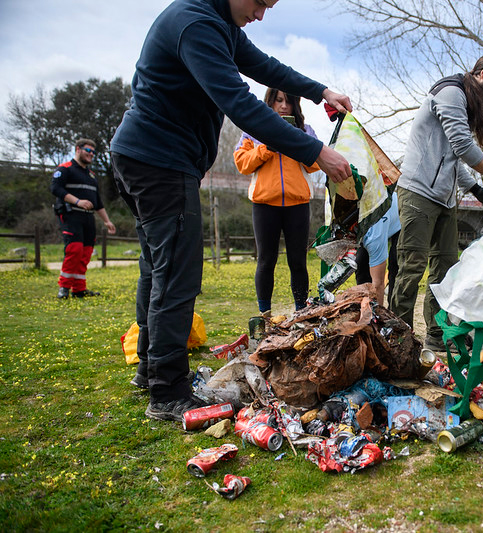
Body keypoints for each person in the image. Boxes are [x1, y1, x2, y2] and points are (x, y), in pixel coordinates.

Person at [109, 0, 353, 423]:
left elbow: (268, 67)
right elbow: (242, 105)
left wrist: (320, 91)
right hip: (160, 160)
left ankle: (151, 370)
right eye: (259, 1)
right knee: (177, 272)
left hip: (144, 156)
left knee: (157, 266)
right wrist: (317, 151)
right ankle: (168, 390)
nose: (261, 15)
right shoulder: (196, 25)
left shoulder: (217, 24)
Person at [390, 52, 483, 351]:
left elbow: (451, 158)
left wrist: (477, 189)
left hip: (444, 199)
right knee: (411, 266)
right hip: (418, 192)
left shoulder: (467, 100)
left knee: (445, 271)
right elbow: (462, 144)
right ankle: (397, 338)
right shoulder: (450, 92)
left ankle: (436, 336)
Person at [234, 88, 320, 317]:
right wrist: (266, 148)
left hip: (298, 205)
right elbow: (242, 163)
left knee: (298, 261)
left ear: (295, 106)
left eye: (289, 102)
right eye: (279, 100)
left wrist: (296, 141)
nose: (284, 106)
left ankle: (302, 312)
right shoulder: (253, 130)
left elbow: (316, 163)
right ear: (270, 103)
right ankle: (265, 315)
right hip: (264, 205)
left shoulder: (305, 130)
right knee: (266, 260)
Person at [51, 138, 116, 299]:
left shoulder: (91, 176)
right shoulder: (65, 169)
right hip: (71, 214)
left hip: (89, 217)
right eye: (88, 151)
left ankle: (79, 289)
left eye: (93, 152)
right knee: (74, 250)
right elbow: (55, 188)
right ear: (78, 149)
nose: (91, 154)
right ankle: (64, 287)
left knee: (86, 252)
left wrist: (107, 221)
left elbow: (97, 202)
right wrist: (78, 201)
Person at [355, 190, 401, 307]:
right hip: (369, 219)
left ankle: (391, 312)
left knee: (396, 264)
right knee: (360, 264)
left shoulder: (374, 237)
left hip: (400, 219)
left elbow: (378, 284)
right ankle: (365, 308)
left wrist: (378, 314)